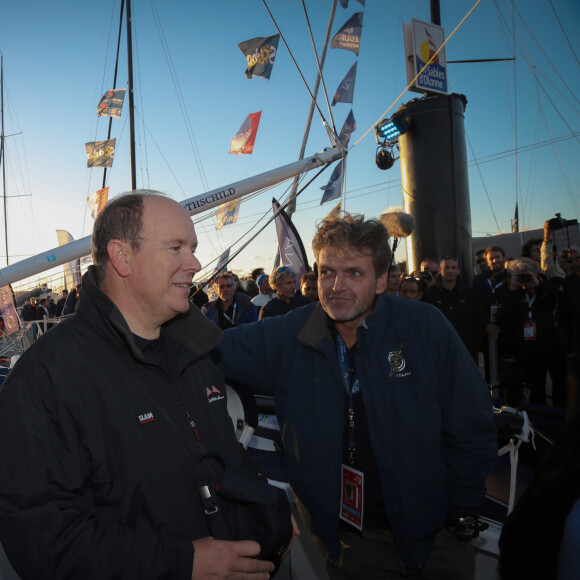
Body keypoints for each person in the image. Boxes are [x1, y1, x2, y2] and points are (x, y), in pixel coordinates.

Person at [0, 191, 277, 579]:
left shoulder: (195, 354)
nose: (195, 263)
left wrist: (267, 511)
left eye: (193, 248)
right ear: (122, 257)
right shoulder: (45, 379)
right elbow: (43, 537)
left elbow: (226, 462)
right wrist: (182, 563)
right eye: (176, 248)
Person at [213, 213, 497, 579]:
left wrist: (462, 509)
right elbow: (206, 346)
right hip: (350, 543)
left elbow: (472, 422)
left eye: (355, 273)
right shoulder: (287, 335)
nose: (336, 286)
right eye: (327, 272)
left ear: (381, 280)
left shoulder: (425, 327)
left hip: (437, 537)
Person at [422, 256, 477, 358]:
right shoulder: (429, 294)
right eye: (446, 267)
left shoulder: (468, 293)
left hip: (465, 348)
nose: (450, 270)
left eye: (453, 267)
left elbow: (476, 319)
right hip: (439, 348)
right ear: (440, 270)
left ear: (458, 271)